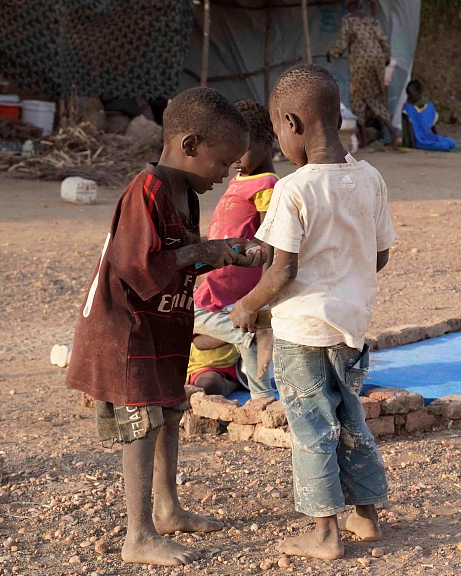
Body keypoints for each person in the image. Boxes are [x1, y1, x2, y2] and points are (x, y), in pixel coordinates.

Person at [64, 87, 267, 566]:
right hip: (126, 331)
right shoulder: (147, 190)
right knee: (140, 423)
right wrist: (203, 252)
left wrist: (224, 254)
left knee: (169, 412)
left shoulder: (186, 194)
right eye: (222, 164)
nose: (224, 176)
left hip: (160, 324)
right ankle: (138, 535)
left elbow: (177, 261)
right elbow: (137, 267)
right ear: (190, 145)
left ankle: (167, 509)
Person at [229, 64, 394, 560]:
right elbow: (380, 253)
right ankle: (366, 517)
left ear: (292, 123)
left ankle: (324, 534)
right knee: (350, 418)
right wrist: (348, 275)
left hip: (302, 331)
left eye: (278, 130)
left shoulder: (294, 189)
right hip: (351, 325)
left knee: (310, 426)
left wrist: (246, 305)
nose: (279, 141)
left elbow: (281, 271)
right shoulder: (369, 177)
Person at [188, 99, 278, 399]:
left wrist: (264, 296)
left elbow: (270, 240)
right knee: (218, 329)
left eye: (244, 149)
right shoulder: (242, 178)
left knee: (188, 316)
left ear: (268, 143)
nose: (236, 158)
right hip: (219, 284)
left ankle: (262, 396)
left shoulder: (266, 183)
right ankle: (261, 394)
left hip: (234, 287)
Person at [327, 0, 399, 148]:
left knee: (358, 98)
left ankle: (363, 140)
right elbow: (383, 40)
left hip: (361, 62)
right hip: (377, 60)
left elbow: (342, 43)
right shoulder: (372, 21)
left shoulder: (348, 20)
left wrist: (331, 53)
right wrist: (385, 57)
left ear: (351, 5)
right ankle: (393, 133)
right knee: (376, 97)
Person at [402, 79, 455, 152]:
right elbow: (409, 128)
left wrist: (436, 137)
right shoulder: (408, 108)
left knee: (452, 143)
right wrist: (413, 146)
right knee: (445, 146)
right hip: (419, 141)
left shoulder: (429, 106)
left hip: (428, 137)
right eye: (407, 94)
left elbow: (432, 124)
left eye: (410, 94)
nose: (408, 97)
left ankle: (435, 143)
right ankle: (434, 145)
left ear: (419, 92)